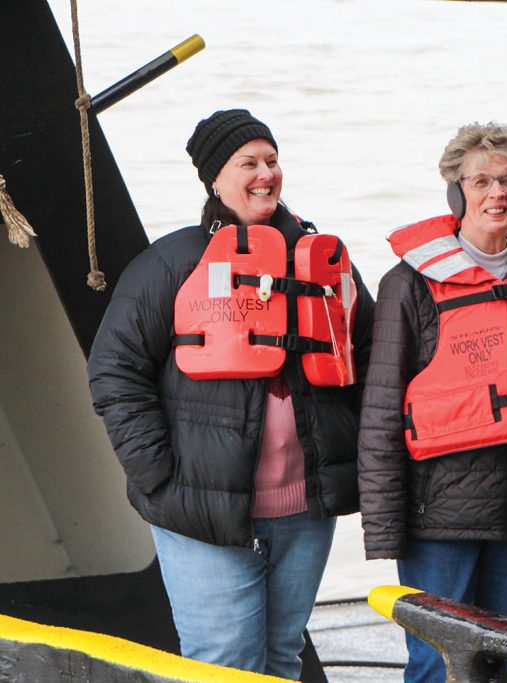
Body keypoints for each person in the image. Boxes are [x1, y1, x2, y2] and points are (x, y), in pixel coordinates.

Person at [87, 109, 374, 680]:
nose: (265, 173)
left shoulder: (322, 261)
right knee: (222, 666)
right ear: (215, 178)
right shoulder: (170, 263)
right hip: (198, 509)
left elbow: (367, 358)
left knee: (281, 659)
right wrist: (158, 473)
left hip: (305, 508)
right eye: (248, 163)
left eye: (272, 160)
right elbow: (114, 371)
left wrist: (357, 458)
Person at [357, 122, 507, 683]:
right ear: (456, 192)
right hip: (439, 522)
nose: (497, 193)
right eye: (481, 181)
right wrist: (384, 530)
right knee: (437, 664)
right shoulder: (409, 284)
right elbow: (380, 411)